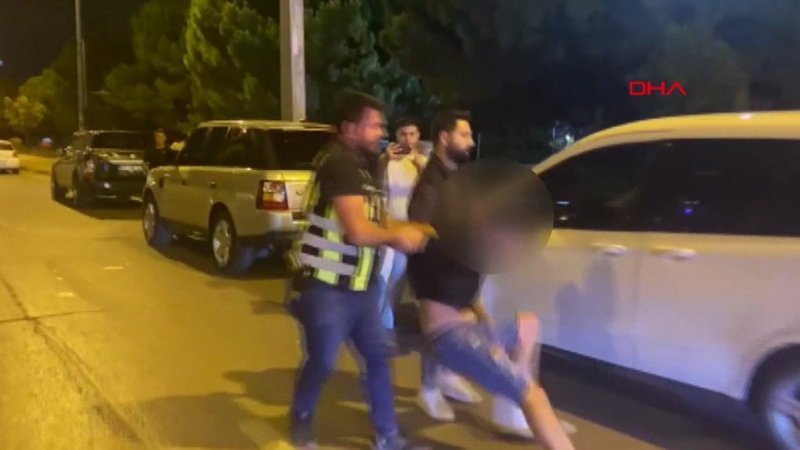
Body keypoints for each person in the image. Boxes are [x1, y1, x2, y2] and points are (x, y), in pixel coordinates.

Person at [406, 110, 575, 450]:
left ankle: (512, 408)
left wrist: (483, 319)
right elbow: (422, 241)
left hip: (466, 322)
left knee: (527, 325)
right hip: (449, 332)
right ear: (444, 138)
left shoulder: (455, 184)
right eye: (464, 135)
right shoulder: (431, 191)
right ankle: (523, 401)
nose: (471, 142)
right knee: (533, 395)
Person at [286, 90, 434, 450]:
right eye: (374, 126)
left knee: (378, 356)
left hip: (362, 287)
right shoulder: (338, 164)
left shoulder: (364, 165)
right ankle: (301, 418)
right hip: (325, 287)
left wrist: (413, 228)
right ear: (349, 128)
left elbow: (376, 219)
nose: (381, 132)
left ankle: (387, 435)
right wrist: (399, 238)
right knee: (323, 361)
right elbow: (357, 231)